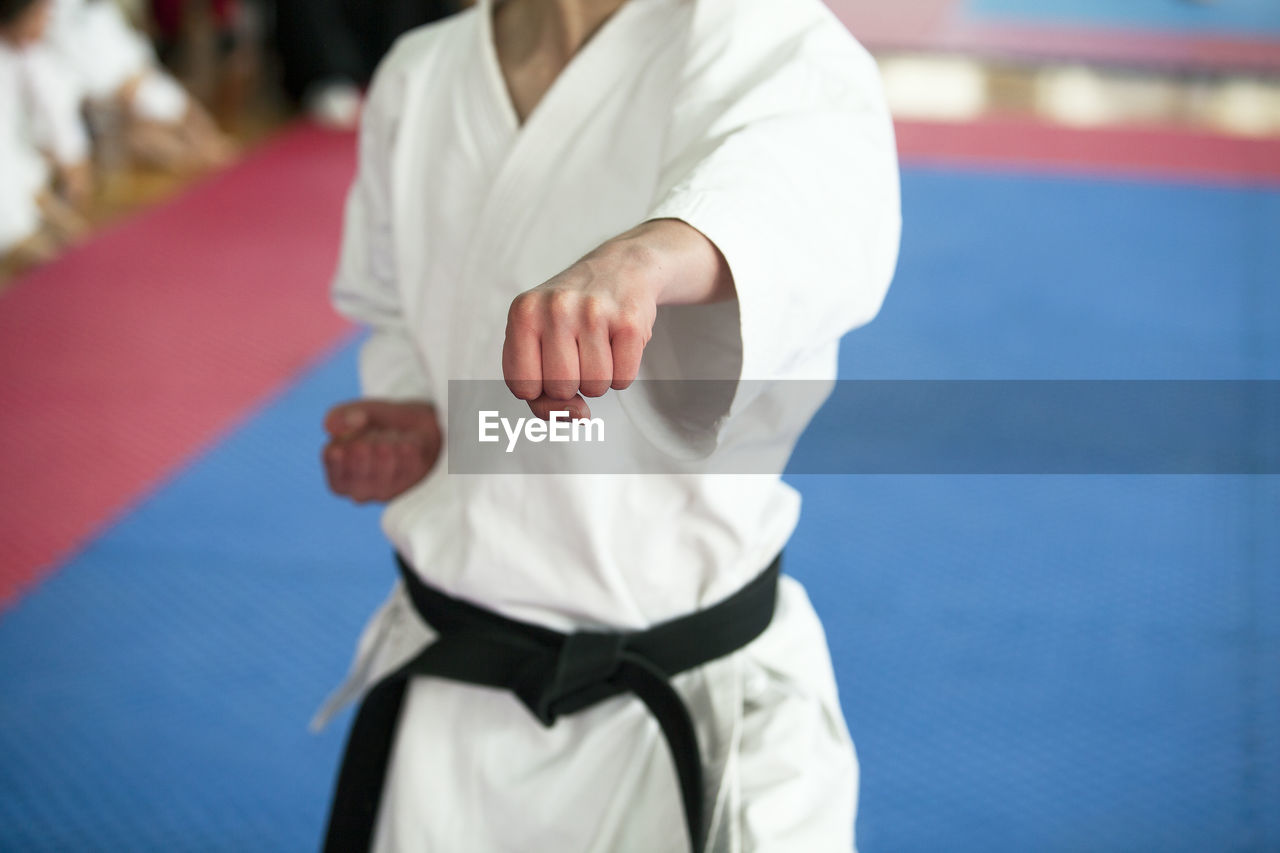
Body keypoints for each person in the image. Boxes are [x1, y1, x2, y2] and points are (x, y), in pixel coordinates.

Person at [317, 0, 901, 850]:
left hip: (691, 709)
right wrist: (422, 420)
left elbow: (790, 201)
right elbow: (404, 317)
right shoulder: (421, 71)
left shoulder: (767, 35)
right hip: (457, 718)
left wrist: (650, 256)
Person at [1, 0, 89, 270]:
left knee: (75, 235)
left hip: (16, 161)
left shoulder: (24, 55)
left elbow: (54, 112)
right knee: (33, 247)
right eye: (40, 15)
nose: (47, 22)